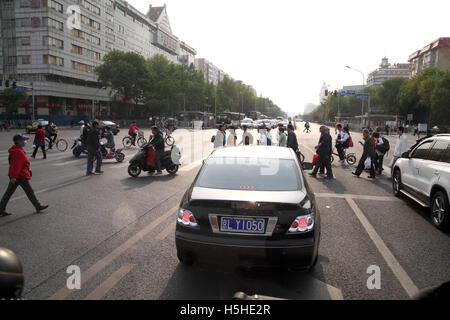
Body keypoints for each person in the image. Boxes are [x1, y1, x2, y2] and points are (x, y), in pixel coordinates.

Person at [0, 134, 48, 217]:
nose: (24, 142)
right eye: (23, 140)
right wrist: (14, 176)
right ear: (18, 141)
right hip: (20, 176)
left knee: (8, 193)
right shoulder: (18, 152)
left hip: (17, 175)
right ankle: (38, 206)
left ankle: (1, 209)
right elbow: (16, 165)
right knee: (30, 192)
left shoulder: (16, 149)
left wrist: (13, 176)